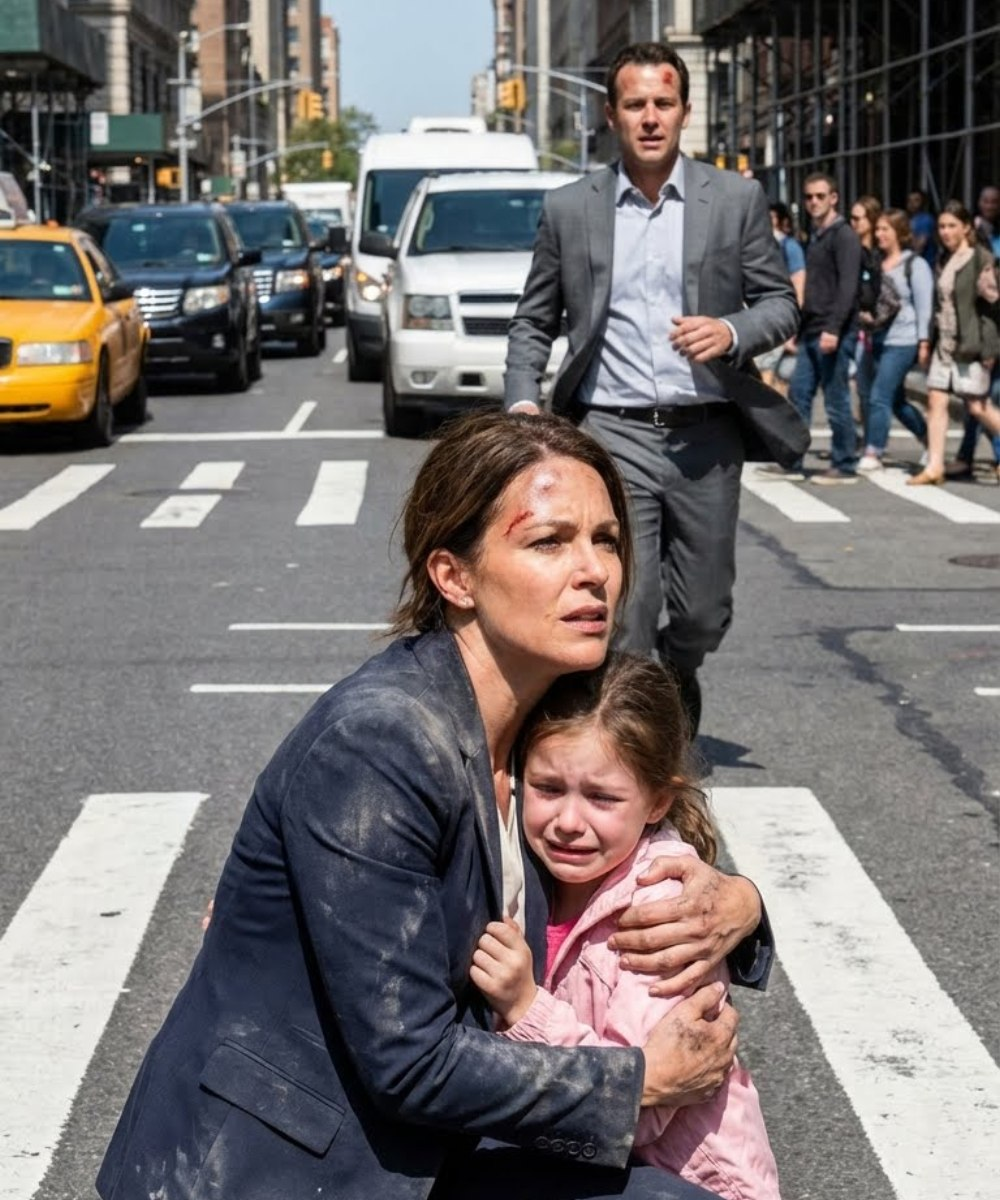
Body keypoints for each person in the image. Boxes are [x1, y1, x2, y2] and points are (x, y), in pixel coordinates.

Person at [96, 411, 773, 1200]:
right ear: (454, 576)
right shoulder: (382, 742)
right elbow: (410, 1061)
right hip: (285, 1168)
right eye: (549, 542)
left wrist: (743, 905)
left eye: (607, 540)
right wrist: (640, 1081)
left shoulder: (544, 716)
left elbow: (628, 845)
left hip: (437, 1143)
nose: (594, 571)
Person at [504, 40, 803, 737]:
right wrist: (522, 400)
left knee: (704, 610)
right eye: (635, 104)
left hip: (706, 434)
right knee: (626, 609)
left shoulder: (734, 199)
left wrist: (730, 330)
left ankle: (680, 668)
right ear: (611, 115)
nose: (650, 118)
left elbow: (780, 305)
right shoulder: (570, 208)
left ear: (684, 112)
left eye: (663, 103)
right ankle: (639, 739)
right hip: (612, 431)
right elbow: (534, 319)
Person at [472, 654, 781, 1200]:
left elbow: (644, 1106)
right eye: (547, 788)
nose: (569, 822)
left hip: (696, 1186)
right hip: (587, 1167)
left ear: (659, 800)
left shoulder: (665, 917)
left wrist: (526, 1008)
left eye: (602, 798)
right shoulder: (527, 872)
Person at [908, 200, 1000, 486]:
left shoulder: (980, 259)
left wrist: (989, 348)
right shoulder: (943, 259)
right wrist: (927, 343)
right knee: (936, 400)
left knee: (977, 407)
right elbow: (940, 305)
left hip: (970, 345)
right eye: (942, 226)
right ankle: (935, 466)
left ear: (966, 228)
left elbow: (993, 308)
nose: (946, 232)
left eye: (952, 226)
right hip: (945, 344)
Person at [783, 173, 862, 483]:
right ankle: (793, 461)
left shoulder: (844, 236)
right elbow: (815, 288)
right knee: (798, 393)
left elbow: (848, 287)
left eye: (820, 196)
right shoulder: (815, 236)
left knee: (836, 399)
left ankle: (845, 464)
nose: (813, 202)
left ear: (834, 198)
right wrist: (799, 327)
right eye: (808, 197)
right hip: (811, 329)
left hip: (833, 331)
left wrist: (834, 328)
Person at [857, 208, 934, 471]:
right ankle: (930, 439)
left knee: (879, 394)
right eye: (877, 229)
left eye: (885, 229)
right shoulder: (875, 262)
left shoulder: (915, 265)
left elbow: (924, 307)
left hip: (904, 339)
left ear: (899, 233)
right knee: (897, 401)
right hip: (878, 337)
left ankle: (873, 451)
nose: (879, 234)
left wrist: (924, 342)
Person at [755, 203, 805, 395]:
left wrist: (791, 327)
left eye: (772, 218)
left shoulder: (788, 246)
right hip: (758, 318)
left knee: (769, 374)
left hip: (774, 318)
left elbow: (798, 287)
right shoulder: (755, 245)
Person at [851, 194, 883, 432]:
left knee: (881, 391)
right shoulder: (851, 249)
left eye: (858, 218)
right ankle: (869, 436)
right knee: (862, 387)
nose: (853, 223)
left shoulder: (881, 252)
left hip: (881, 326)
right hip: (858, 326)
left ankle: (874, 437)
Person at [905, 189, 937, 267]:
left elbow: (919, 248)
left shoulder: (926, 219)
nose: (912, 203)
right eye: (910, 200)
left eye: (916, 200)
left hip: (924, 264)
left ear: (922, 203)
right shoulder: (908, 219)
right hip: (911, 264)